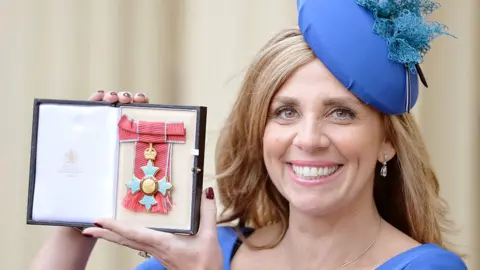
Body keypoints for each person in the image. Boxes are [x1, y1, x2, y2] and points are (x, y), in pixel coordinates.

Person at [29, 0, 468, 269]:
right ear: (260, 132)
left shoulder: (424, 268)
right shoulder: (206, 250)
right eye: (285, 112)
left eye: (341, 113)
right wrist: (84, 203)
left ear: (387, 141)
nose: (309, 138)